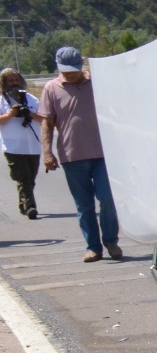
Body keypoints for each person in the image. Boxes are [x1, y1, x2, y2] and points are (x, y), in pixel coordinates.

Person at [38, 46, 119, 262]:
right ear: (59, 68)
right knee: (84, 205)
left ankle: (111, 240)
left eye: (74, 69)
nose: (71, 74)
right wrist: (47, 152)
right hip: (72, 156)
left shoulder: (97, 82)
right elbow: (47, 123)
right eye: (67, 71)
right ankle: (93, 247)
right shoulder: (51, 89)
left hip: (103, 154)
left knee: (108, 199)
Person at [0, 68, 42, 218]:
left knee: (30, 178)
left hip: (33, 146)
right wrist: (9, 114)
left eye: (16, 80)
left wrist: (29, 113)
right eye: (10, 81)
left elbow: (44, 118)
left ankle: (23, 203)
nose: (14, 83)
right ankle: (31, 206)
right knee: (23, 177)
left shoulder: (31, 98)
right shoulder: (1, 100)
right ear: (4, 83)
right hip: (12, 146)